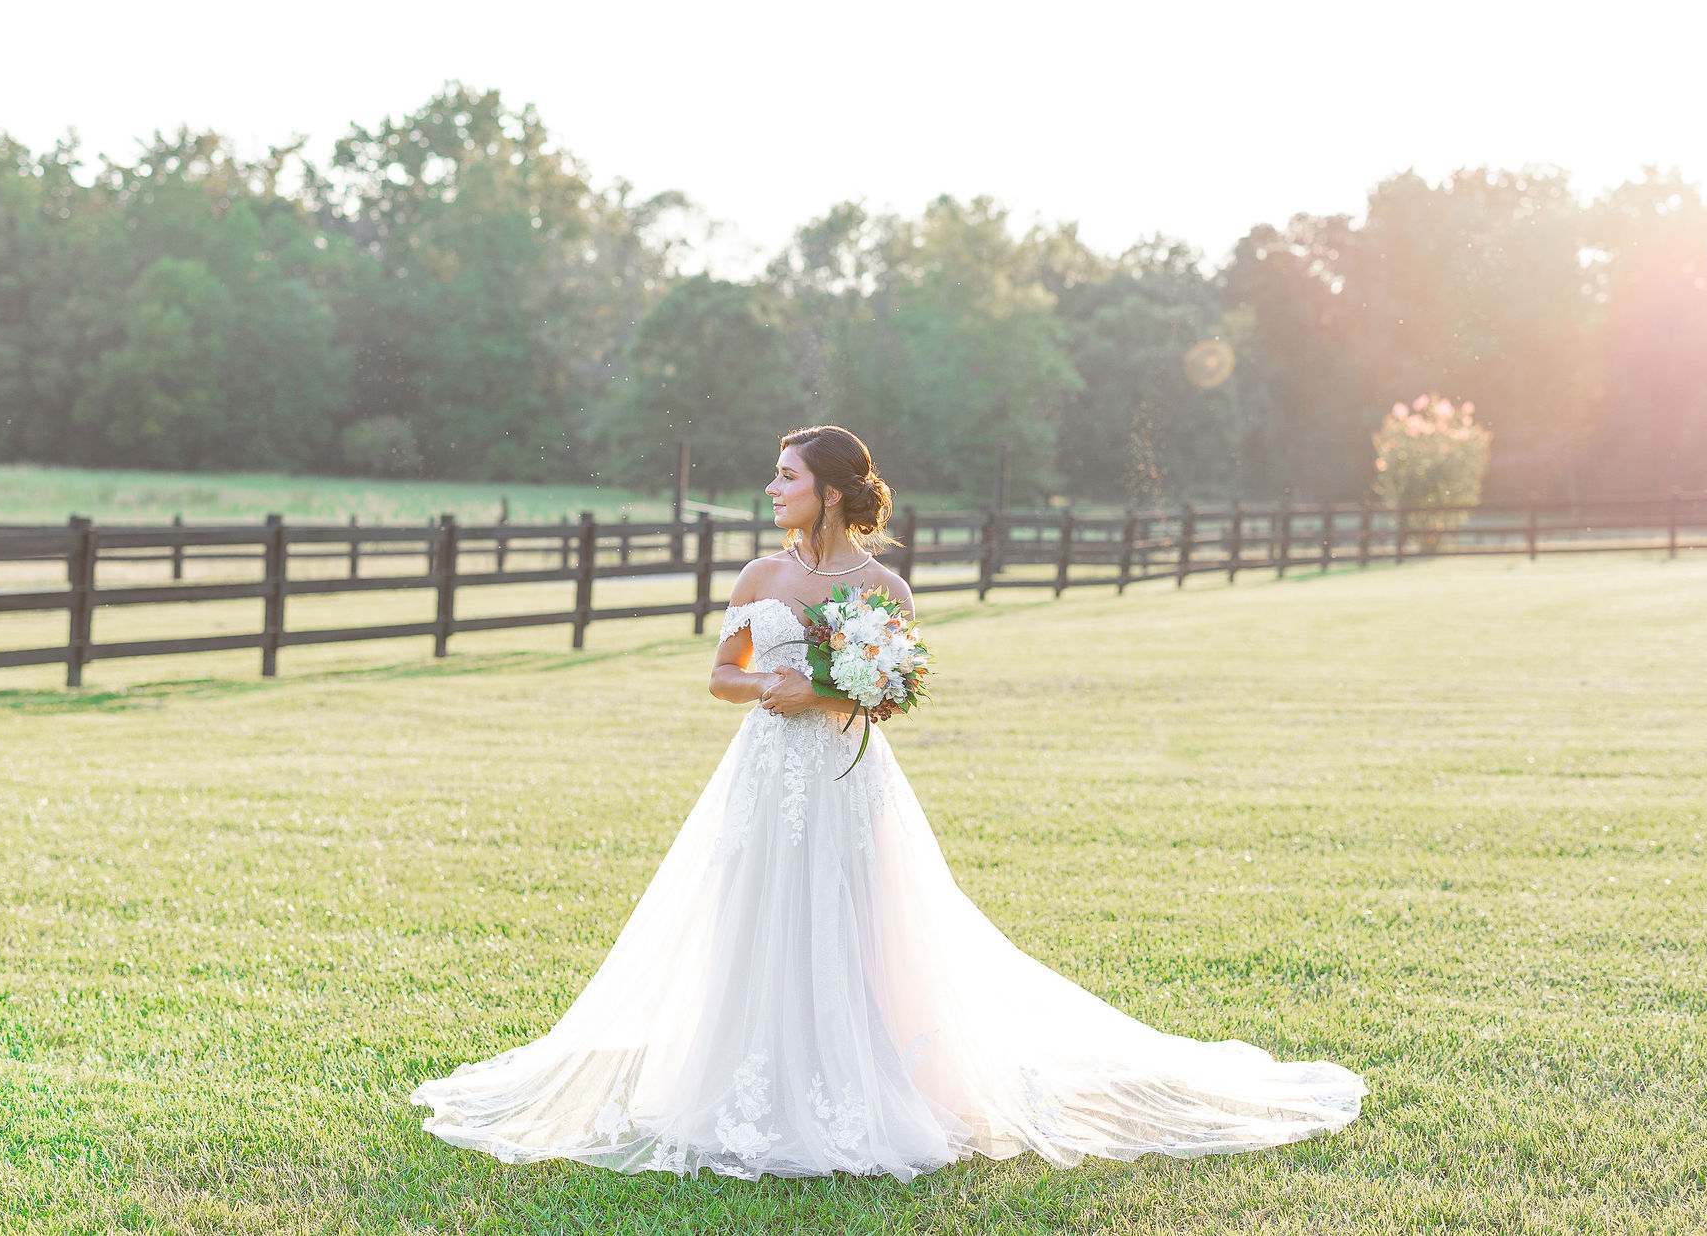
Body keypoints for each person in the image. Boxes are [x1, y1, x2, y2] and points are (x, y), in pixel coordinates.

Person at [409, 424, 1366, 1180]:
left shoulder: (882, 586)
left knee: (854, 921)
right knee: (751, 913)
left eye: (786, 476)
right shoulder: (761, 574)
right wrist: (766, 690)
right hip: (760, 777)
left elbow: (892, 691)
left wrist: (821, 693)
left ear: (830, 489)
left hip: (842, 777)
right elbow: (718, 675)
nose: (773, 488)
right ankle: (746, 1080)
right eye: (773, 475)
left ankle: (857, 1080)